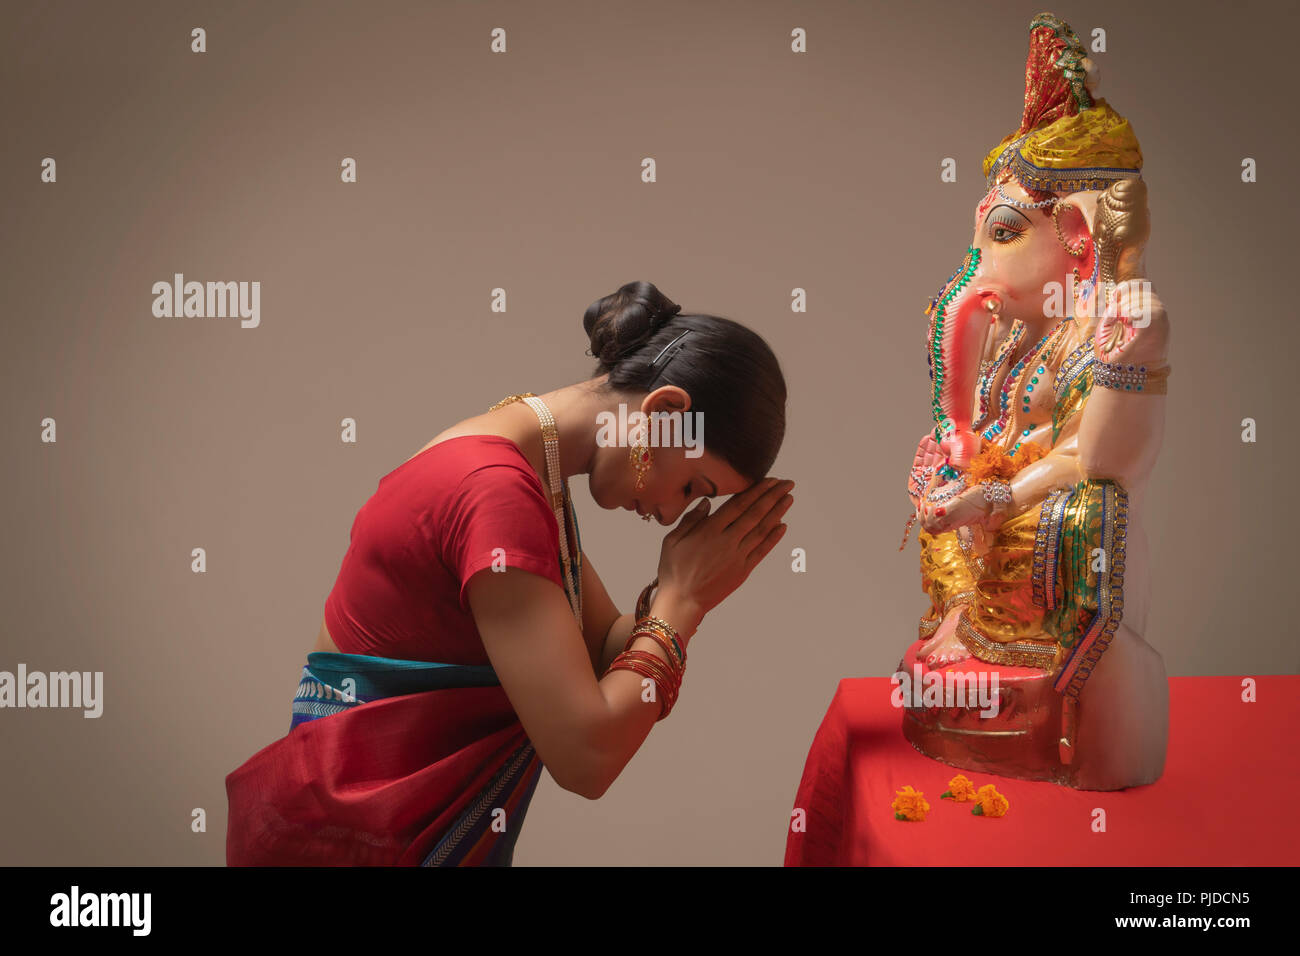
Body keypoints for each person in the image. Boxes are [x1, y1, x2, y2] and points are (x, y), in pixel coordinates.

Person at [225, 280, 792, 864]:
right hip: (355, 846)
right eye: (695, 487)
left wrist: (688, 590)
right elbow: (586, 756)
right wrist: (681, 601)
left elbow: (600, 651)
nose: (673, 513)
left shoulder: (518, 461)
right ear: (667, 413)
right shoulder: (495, 492)